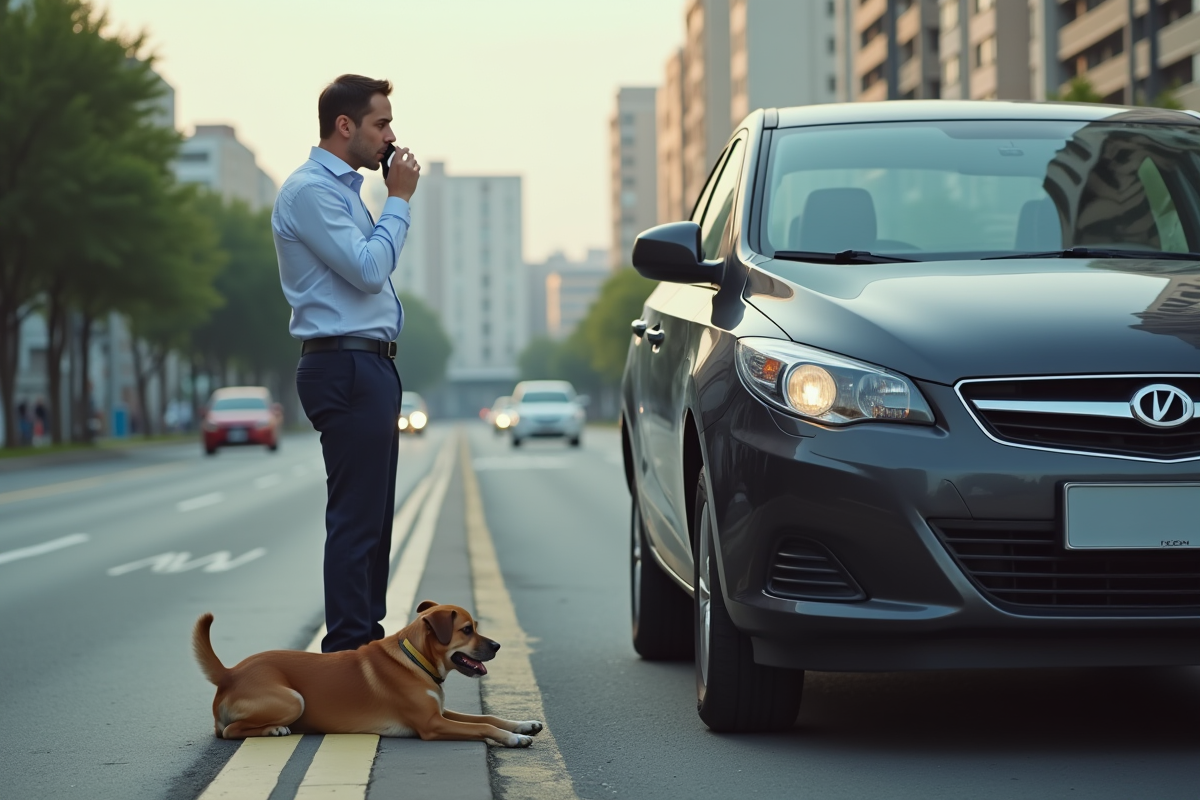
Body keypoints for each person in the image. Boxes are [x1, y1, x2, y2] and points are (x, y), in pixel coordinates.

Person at [273, 74, 421, 653]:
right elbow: (366, 270)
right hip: (345, 366)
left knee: (375, 521)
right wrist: (400, 201)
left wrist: (388, 202)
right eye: (381, 123)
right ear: (345, 126)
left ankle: (367, 648)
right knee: (357, 521)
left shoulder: (344, 191)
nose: (390, 136)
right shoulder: (310, 191)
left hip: (369, 367)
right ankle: (348, 657)